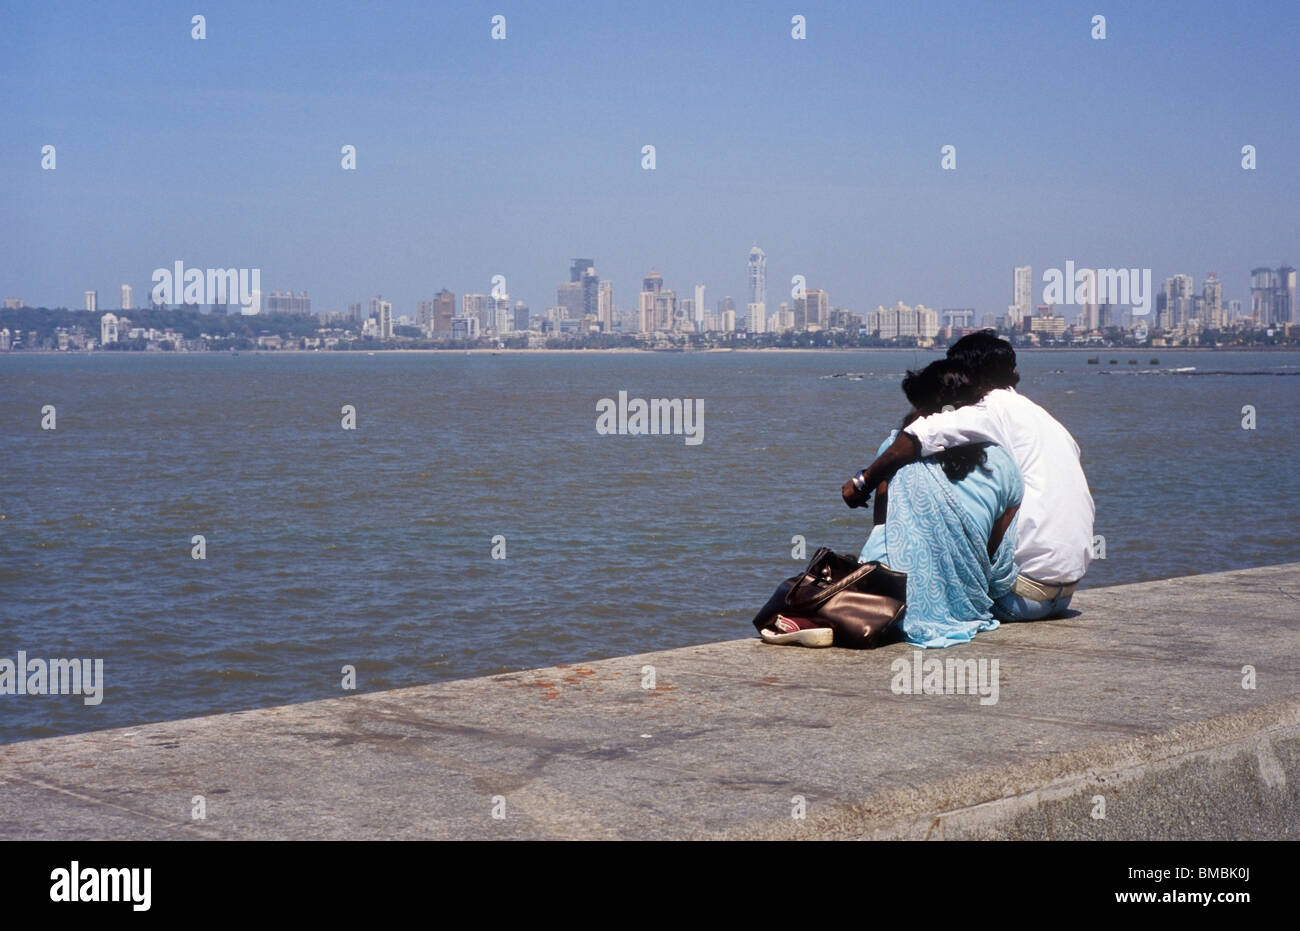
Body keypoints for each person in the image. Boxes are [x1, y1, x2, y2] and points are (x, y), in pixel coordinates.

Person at [763, 359, 1021, 649]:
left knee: (807, 587)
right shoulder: (1006, 465)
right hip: (967, 608)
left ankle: (821, 619)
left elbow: (883, 530)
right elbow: (996, 559)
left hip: (891, 604)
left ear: (925, 410)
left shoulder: (893, 451)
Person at [842, 332, 1095, 622]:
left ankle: (884, 574)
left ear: (969, 375)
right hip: (1062, 596)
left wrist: (863, 483)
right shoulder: (1046, 420)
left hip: (1016, 597)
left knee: (907, 459)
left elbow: (915, 436)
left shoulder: (988, 409)